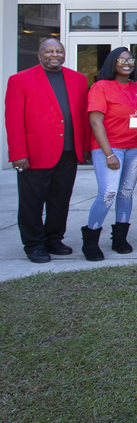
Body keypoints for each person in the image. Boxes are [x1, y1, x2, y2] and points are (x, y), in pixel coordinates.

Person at [5, 38, 89, 263]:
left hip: (68, 151)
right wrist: (18, 153)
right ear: (39, 55)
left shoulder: (78, 79)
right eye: (49, 51)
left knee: (60, 199)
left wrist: (86, 146)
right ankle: (34, 244)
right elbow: (13, 120)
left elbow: (82, 115)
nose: (55, 55)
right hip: (35, 153)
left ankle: (54, 239)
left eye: (58, 51)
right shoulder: (19, 80)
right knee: (32, 201)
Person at [84, 47, 137, 260]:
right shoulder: (101, 87)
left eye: (130, 60)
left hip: (135, 147)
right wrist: (109, 153)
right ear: (112, 62)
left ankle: (120, 237)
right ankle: (91, 239)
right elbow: (95, 121)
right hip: (110, 148)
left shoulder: (136, 87)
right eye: (121, 60)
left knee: (126, 192)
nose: (127, 63)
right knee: (108, 193)